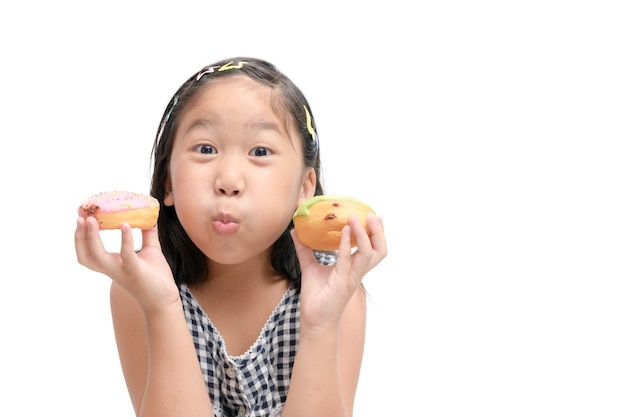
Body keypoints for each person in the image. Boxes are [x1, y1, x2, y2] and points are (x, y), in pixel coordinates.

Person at [75, 57, 387, 417]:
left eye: (260, 151)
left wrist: (320, 325)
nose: (228, 181)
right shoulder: (139, 288)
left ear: (305, 189)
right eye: (206, 149)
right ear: (168, 183)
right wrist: (161, 307)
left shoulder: (336, 288)